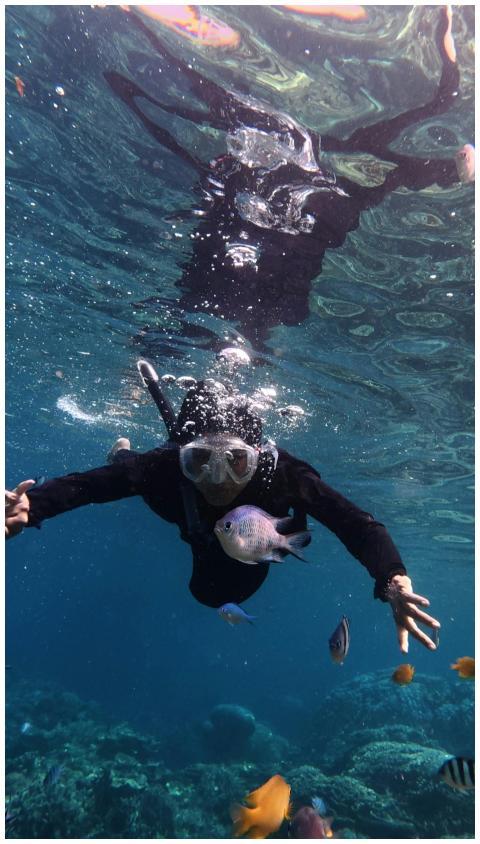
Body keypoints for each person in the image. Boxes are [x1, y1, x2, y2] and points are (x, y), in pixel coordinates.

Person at [102, 4, 471, 351]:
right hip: (292, 238)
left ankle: (136, 17)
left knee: (222, 305)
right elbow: (391, 179)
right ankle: (135, 16)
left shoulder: (263, 195)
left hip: (275, 244)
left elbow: (392, 178)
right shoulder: (320, 199)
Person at [6, 366, 440, 655]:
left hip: (256, 547)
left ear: (256, 455)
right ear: (183, 456)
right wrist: (34, 503)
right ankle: (123, 455)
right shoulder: (165, 469)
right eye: (199, 461)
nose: (217, 479)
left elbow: (358, 526)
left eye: (235, 462)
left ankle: (128, 461)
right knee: (130, 477)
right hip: (184, 518)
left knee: (216, 590)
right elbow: (89, 487)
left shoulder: (284, 475)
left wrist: (393, 581)